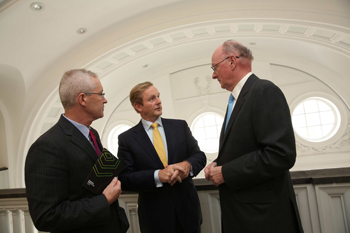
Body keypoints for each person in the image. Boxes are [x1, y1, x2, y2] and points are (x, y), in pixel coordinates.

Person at [204, 40, 304, 233]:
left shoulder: (264, 90)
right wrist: (218, 164)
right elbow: (246, 147)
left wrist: (226, 172)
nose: (213, 74)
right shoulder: (237, 98)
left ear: (232, 61)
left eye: (215, 67)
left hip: (263, 217)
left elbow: (280, 154)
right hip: (245, 212)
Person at [25, 69, 129, 233]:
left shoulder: (91, 133)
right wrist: (104, 200)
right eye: (101, 94)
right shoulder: (47, 146)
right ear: (82, 99)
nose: (105, 100)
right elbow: (47, 216)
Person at [117, 82, 206, 233]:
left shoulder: (180, 127)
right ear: (138, 106)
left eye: (158, 96)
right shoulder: (127, 139)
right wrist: (157, 175)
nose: (159, 101)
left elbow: (199, 156)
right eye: (152, 99)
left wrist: (187, 165)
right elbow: (125, 178)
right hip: (155, 218)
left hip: (188, 212)